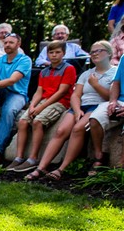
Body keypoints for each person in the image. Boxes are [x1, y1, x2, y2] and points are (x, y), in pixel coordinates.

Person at [25, 41, 116, 181]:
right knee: (61, 131)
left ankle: (61, 169)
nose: (95, 54)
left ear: (109, 53)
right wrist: (77, 109)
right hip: (80, 106)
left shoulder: (115, 72)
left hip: (98, 106)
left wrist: (96, 85)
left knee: (77, 128)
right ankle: (40, 168)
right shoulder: (87, 73)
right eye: (92, 51)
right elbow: (75, 95)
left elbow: (111, 97)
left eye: (99, 50)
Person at [6, 40, 76, 173]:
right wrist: (32, 106)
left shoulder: (68, 69)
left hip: (60, 102)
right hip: (43, 101)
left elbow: (61, 92)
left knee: (38, 121)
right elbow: (39, 91)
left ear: (64, 53)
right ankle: (19, 157)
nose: (54, 55)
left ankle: (33, 158)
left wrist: (40, 108)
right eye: (51, 52)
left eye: (57, 52)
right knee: (22, 121)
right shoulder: (44, 71)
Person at [0, 33, 33, 164]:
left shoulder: (25, 60)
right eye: (6, 42)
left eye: (11, 42)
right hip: (1, 93)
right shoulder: (1, 59)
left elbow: (12, 80)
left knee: (8, 112)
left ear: (18, 44)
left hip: (17, 94)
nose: (7, 45)